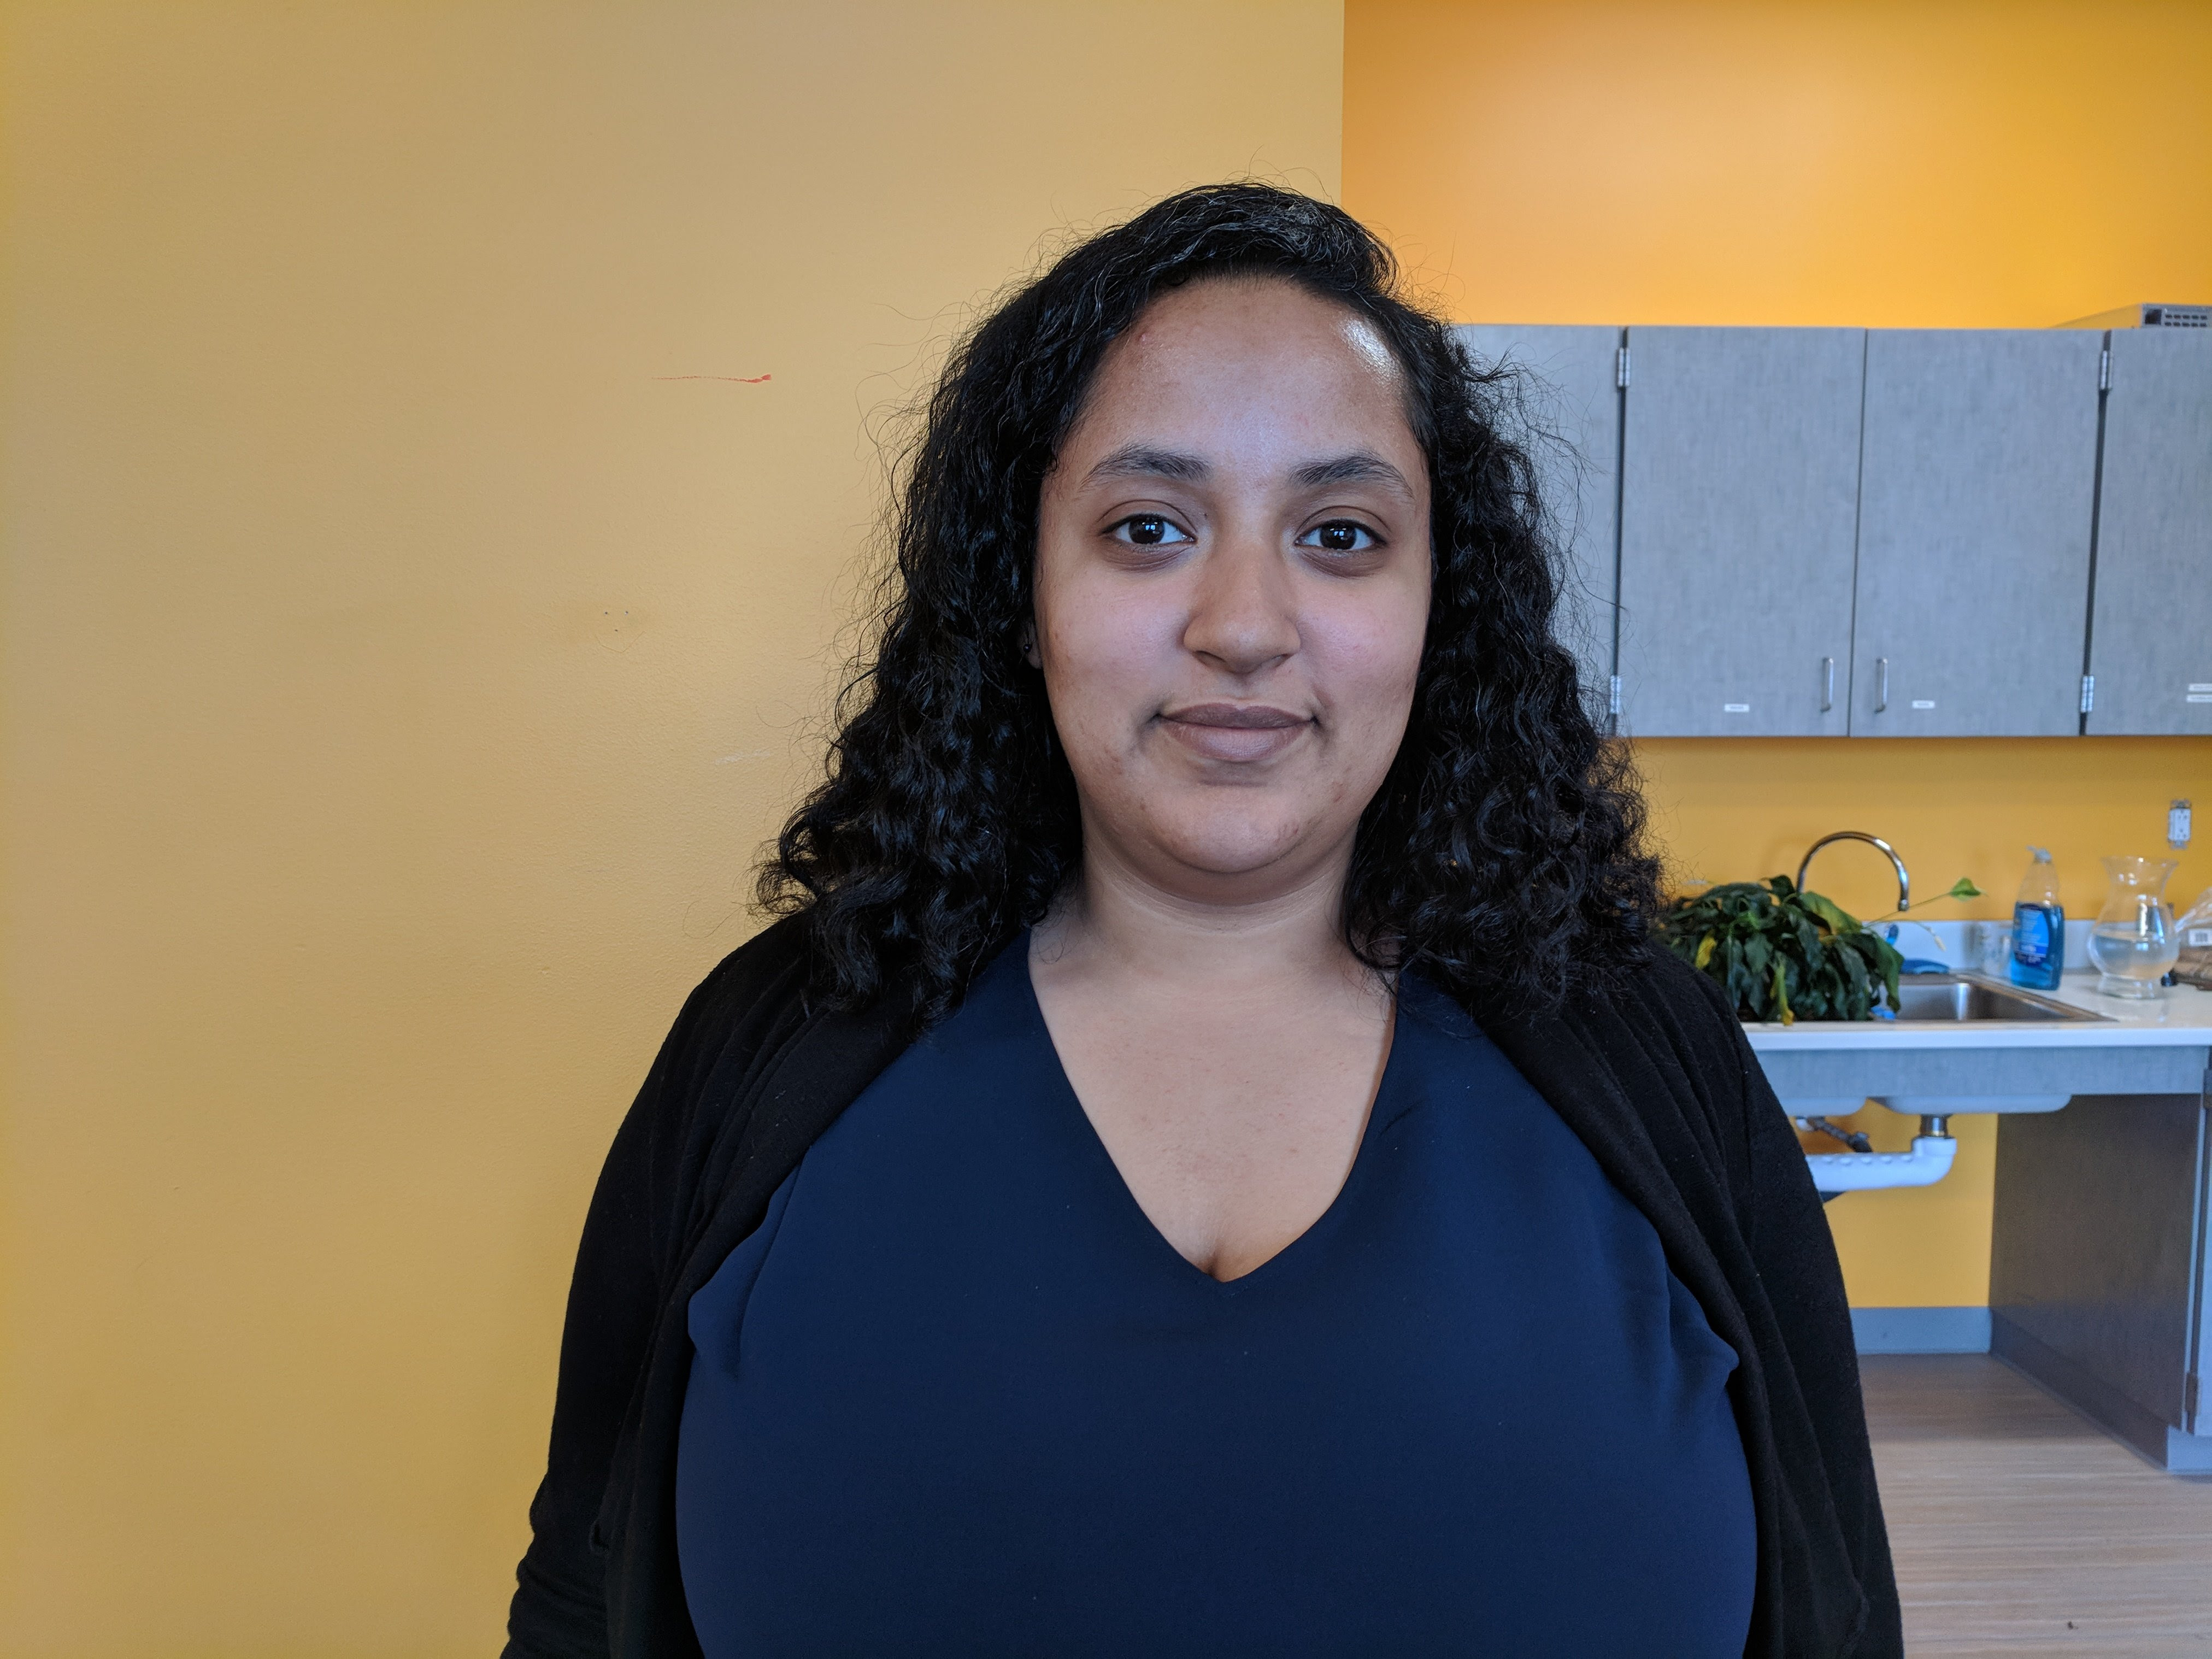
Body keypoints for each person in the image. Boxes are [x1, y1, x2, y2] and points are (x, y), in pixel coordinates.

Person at [505, 184, 1899, 1658]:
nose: (1242, 625)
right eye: (1148, 527)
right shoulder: (766, 1044)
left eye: (1342, 534)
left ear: (1442, 604)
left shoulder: (1653, 1055)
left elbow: (1839, 1603)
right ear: (1023, 593)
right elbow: (582, 1599)